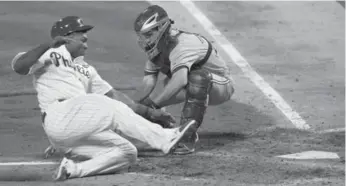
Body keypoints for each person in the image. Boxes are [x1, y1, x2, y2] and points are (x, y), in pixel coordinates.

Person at [11, 15, 196, 181]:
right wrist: (49, 45)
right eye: (81, 32)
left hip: (73, 129)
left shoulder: (87, 70)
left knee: (127, 152)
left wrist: (150, 112)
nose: (86, 36)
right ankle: (164, 138)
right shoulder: (50, 53)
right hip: (59, 114)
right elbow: (20, 67)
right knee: (104, 104)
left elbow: (115, 96)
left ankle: (73, 169)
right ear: (67, 36)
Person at [134, 5, 235, 154]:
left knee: (197, 78)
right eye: (143, 35)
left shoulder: (182, 45)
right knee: (146, 105)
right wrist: (134, 106)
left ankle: (187, 137)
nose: (145, 40)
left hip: (220, 86)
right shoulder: (157, 49)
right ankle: (166, 130)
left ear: (161, 29)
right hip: (188, 86)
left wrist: (154, 106)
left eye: (148, 34)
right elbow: (149, 81)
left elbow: (180, 80)